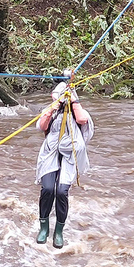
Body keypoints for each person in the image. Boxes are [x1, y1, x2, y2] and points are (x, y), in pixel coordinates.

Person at [35, 70, 94, 249]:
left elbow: (82, 120)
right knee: (47, 189)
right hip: (51, 152)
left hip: (70, 154)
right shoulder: (52, 110)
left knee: (61, 192)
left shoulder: (77, 110)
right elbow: (41, 126)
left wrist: (73, 101)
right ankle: (44, 227)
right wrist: (54, 106)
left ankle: (58, 231)